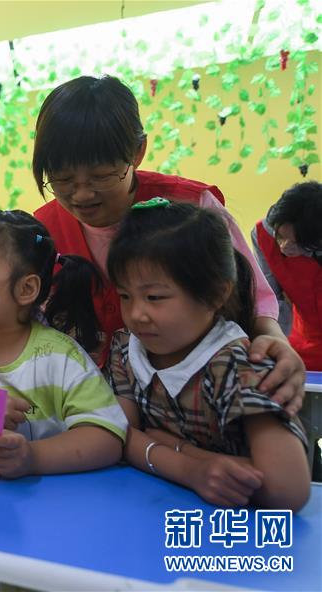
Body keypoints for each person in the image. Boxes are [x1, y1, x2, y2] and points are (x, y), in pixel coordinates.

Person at [31, 75, 305, 415]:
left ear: (138, 151)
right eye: (63, 180)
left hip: (198, 397)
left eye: (101, 176)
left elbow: (252, 298)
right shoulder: (43, 229)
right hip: (93, 402)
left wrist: (275, 342)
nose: (82, 194)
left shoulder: (190, 206)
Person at [105, 199, 309, 510]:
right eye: (124, 295)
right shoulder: (126, 348)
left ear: (215, 293)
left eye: (154, 297)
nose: (136, 314)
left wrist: (162, 444)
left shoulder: (238, 364)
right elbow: (117, 437)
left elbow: (287, 490)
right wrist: (192, 468)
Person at [0, 210, 128, 479]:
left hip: (46, 502)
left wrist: (32, 457)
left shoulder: (60, 356)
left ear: (25, 289)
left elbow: (107, 436)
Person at [251, 181, 322, 371]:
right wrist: (279, 348)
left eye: (297, 243)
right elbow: (270, 301)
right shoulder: (263, 235)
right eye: (281, 236)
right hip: (297, 339)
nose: (284, 247)